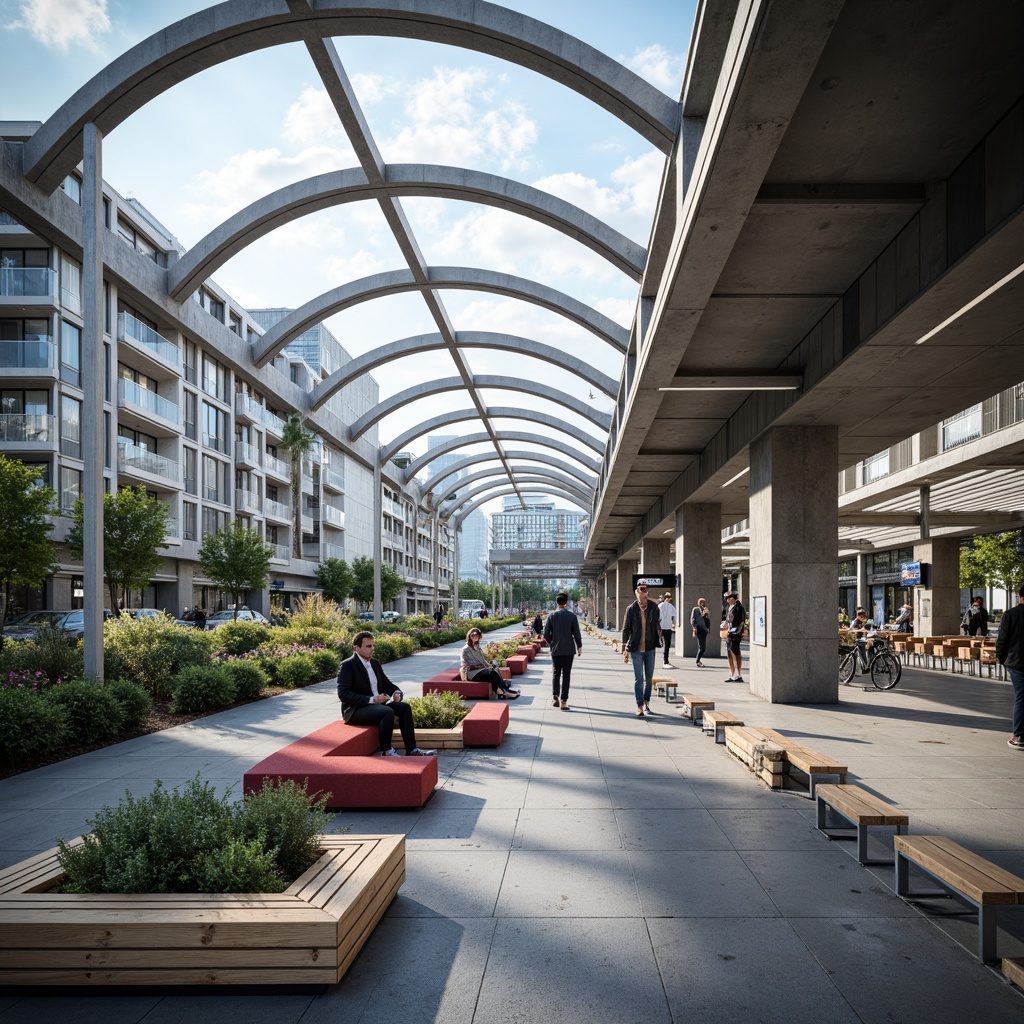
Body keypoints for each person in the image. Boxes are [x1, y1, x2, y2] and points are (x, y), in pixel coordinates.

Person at [337, 631, 436, 757]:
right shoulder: (347, 665)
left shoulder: (375, 663)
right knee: (386, 711)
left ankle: (412, 750)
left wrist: (396, 692)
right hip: (355, 710)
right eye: (368, 646)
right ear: (356, 648)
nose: (372, 649)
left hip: (375, 706)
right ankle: (387, 750)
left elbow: (386, 684)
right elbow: (343, 694)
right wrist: (372, 699)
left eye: (373, 645)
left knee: (404, 708)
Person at [622, 583, 662, 717]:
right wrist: (624, 648)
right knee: (638, 678)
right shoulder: (631, 609)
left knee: (649, 678)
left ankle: (646, 702)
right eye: (640, 591)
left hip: (650, 648)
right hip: (635, 648)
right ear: (636, 593)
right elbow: (626, 628)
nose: (642, 594)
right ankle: (639, 705)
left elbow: (656, 624)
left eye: (645, 591)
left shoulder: (653, 607)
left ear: (647, 593)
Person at [995, 584, 1024, 750]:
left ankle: (1019, 735)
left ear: (1020, 596)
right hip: (1016, 661)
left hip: (1016, 662)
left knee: (1021, 697)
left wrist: (1002, 658)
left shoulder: (1010, 614)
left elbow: (1002, 640)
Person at [544, 592, 582, 710]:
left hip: (556, 650)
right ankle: (564, 701)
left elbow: (545, 634)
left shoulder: (551, 616)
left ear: (557, 602)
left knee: (556, 673)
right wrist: (579, 646)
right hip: (569, 650)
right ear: (566, 603)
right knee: (566, 675)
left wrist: (552, 643)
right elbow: (576, 633)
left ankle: (555, 696)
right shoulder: (572, 616)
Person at [461, 627, 519, 698]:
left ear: (479, 636)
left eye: (477, 635)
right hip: (471, 672)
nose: (474, 636)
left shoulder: (477, 647)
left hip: (481, 670)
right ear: (469, 636)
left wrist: (489, 665)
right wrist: (484, 667)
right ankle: (501, 693)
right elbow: (469, 665)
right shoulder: (466, 649)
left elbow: (483, 660)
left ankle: (505, 690)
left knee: (495, 669)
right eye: (472, 635)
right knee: (492, 673)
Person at [723, 591, 745, 682]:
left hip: (735, 634)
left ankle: (738, 674)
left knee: (735, 653)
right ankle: (733, 673)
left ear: (732, 598)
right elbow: (728, 620)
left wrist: (737, 633)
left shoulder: (739, 608)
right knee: (729, 652)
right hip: (730, 633)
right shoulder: (730, 607)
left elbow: (742, 622)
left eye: (728, 598)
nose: (727, 600)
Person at [690, 597, 710, 667]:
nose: (702, 604)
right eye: (701, 602)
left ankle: (698, 660)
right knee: (702, 646)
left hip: (704, 629)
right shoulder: (695, 609)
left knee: (703, 647)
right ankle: (697, 661)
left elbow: (708, 620)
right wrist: (694, 628)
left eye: (703, 602)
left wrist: (708, 628)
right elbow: (692, 619)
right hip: (699, 628)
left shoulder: (706, 609)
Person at [658, 592, 676, 667]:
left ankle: (666, 659)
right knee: (667, 644)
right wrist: (674, 623)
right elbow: (674, 616)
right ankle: (665, 660)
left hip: (664, 626)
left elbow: (659, 616)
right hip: (666, 626)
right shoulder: (670, 606)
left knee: (666, 644)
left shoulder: (660, 606)